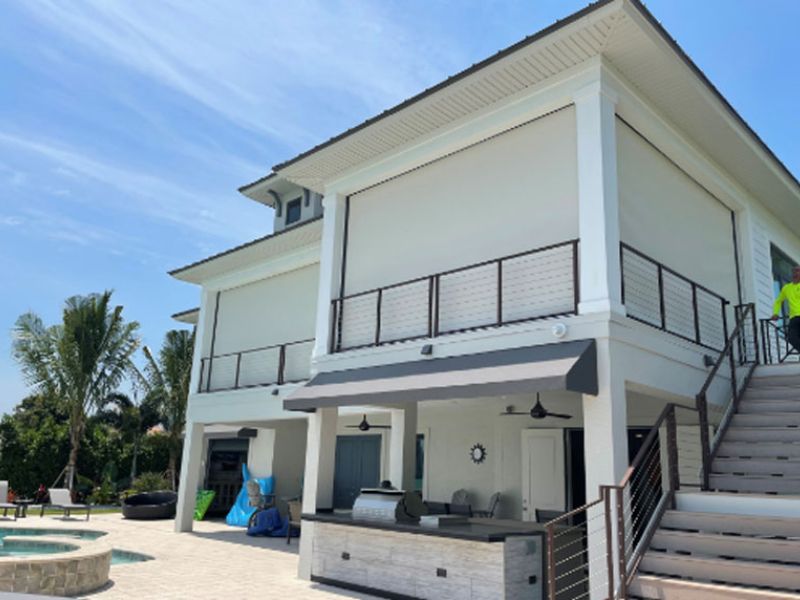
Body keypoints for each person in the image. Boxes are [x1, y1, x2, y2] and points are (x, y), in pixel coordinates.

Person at [771, 266, 800, 353]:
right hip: (794, 318)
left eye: (798, 271)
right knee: (791, 338)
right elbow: (778, 301)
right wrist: (775, 313)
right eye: (794, 271)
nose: (796, 273)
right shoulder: (786, 288)